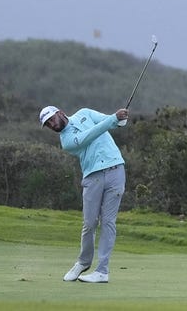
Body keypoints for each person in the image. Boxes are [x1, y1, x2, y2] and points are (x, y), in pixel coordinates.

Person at [39, 104, 128, 283]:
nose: (52, 125)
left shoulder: (85, 113)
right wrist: (113, 119)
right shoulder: (67, 141)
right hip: (93, 176)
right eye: (48, 124)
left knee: (109, 222)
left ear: (60, 113)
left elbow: (109, 121)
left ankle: (102, 271)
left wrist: (120, 119)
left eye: (51, 119)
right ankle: (83, 262)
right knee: (89, 223)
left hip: (116, 169)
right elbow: (90, 135)